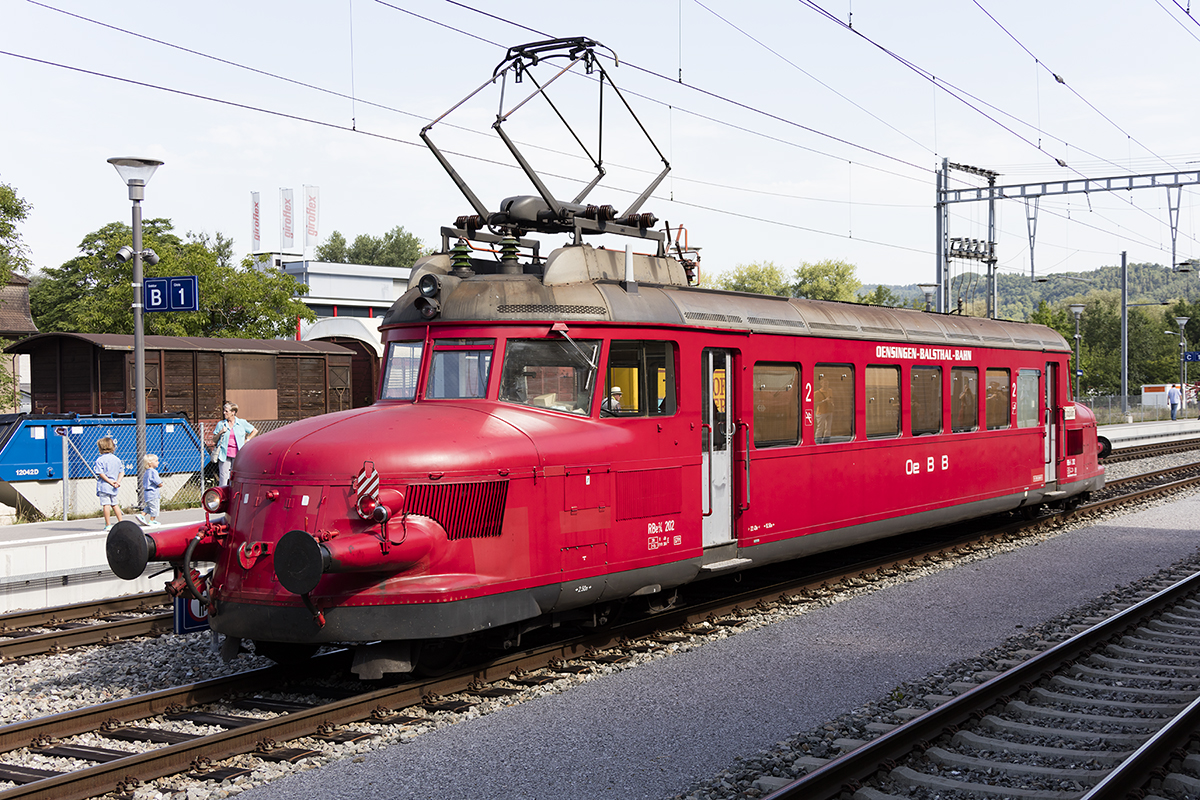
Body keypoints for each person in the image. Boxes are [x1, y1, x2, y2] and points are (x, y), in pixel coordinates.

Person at [213, 401, 258, 487]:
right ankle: (223, 497)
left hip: (238, 455)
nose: (224, 413)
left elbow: (254, 431)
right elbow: (214, 440)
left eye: (226, 411)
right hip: (224, 455)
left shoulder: (241, 423)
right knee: (223, 478)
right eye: (224, 411)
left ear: (233, 412)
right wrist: (220, 432)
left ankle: (234, 496)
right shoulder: (221, 424)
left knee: (235, 477)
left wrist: (247, 440)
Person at [94, 436, 123, 531]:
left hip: (104, 486)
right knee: (115, 504)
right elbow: (121, 472)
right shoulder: (117, 459)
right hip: (114, 486)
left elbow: (100, 473)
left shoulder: (100, 460)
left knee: (106, 505)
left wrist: (109, 481)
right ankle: (121, 521)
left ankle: (108, 524)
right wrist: (117, 482)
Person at [136, 454, 163, 526]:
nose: (158, 462)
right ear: (150, 463)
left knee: (149, 506)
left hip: (147, 493)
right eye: (156, 461)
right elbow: (158, 482)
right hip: (153, 493)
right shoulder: (154, 472)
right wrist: (160, 484)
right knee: (155, 508)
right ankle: (152, 520)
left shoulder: (146, 472)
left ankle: (142, 515)